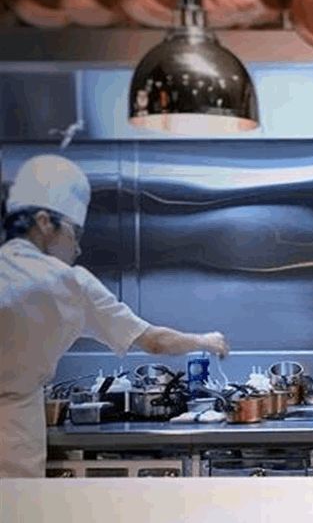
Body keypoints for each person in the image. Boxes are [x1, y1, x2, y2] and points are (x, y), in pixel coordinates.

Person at [1, 155, 230, 478]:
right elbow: (155, 341)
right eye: (74, 233)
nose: (77, 247)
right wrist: (206, 341)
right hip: (12, 436)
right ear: (43, 222)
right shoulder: (68, 283)